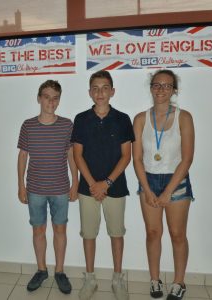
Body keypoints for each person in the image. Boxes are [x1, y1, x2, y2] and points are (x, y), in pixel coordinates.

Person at [71, 70, 134, 300]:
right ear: (89, 92)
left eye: (105, 87)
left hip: (115, 188)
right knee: (89, 234)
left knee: (116, 233)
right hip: (88, 188)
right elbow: (77, 155)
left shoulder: (123, 119)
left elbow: (126, 156)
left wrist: (105, 183)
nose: (100, 92)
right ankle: (90, 278)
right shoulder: (81, 119)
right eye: (95, 88)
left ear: (112, 91)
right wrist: (93, 185)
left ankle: (117, 278)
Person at [132, 69, 194, 300]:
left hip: (176, 182)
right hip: (148, 180)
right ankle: (155, 280)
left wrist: (168, 191)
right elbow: (136, 158)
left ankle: (179, 282)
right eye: (157, 85)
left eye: (167, 86)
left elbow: (187, 159)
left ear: (174, 90)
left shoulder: (184, 117)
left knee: (177, 234)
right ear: (151, 88)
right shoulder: (140, 119)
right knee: (152, 233)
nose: (161, 90)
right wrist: (147, 189)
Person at [17, 80, 78, 294]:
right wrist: (21, 186)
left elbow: (72, 155)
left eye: (55, 98)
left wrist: (75, 182)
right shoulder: (28, 125)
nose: (50, 101)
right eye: (46, 96)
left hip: (61, 188)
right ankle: (41, 270)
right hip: (34, 189)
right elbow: (23, 155)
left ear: (59, 100)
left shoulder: (67, 125)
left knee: (60, 229)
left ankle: (59, 271)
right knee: (38, 229)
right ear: (39, 98)